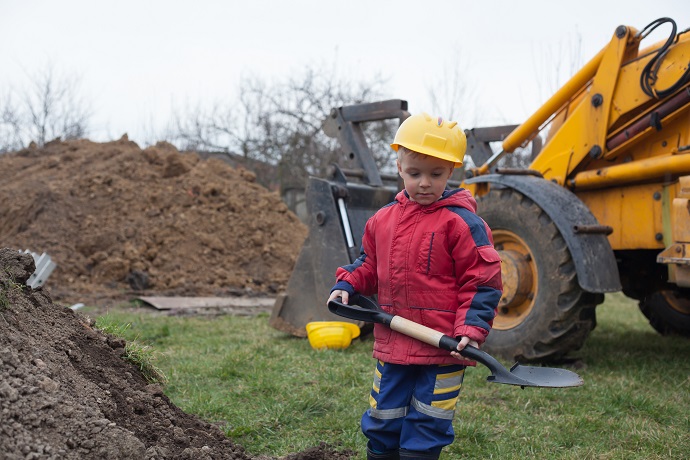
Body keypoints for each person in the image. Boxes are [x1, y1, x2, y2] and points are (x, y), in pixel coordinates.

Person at [326, 112, 503, 460]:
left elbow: (482, 279)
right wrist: (348, 283)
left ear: (451, 172)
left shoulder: (462, 223)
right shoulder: (383, 220)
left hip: (444, 348)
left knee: (428, 421)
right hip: (394, 343)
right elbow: (369, 264)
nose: (424, 182)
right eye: (414, 173)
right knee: (383, 418)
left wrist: (471, 328)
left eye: (436, 174)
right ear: (399, 166)